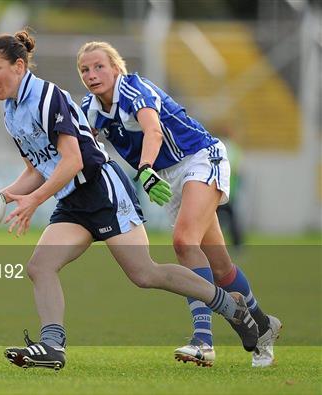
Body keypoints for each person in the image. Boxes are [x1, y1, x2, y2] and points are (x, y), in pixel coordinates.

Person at [0, 30, 258, 372]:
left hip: (103, 191)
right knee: (40, 267)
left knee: (145, 274)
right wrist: (5, 195)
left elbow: (73, 161)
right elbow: (38, 168)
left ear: (19, 66)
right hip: (73, 200)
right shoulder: (11, 112)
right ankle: (52, 346)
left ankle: (231, 307)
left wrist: (35, 200)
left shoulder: (47, 97)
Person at [76, 41, 281, 368]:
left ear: (116, 68)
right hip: (167, 176)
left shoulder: (133, 89)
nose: (92, 74)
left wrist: (143, 169)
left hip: (200, 158)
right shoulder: (91, 107)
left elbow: (153, 132)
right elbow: (83, 148)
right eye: (85, 69)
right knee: (221, 267)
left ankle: (203, 341)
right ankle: (261, 323)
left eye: (99, 66)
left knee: (184, 242)